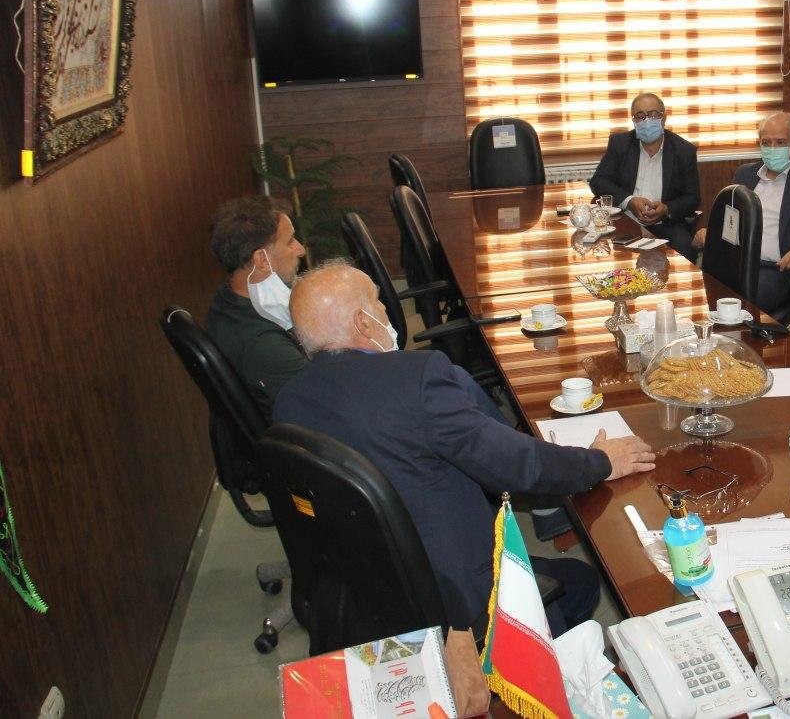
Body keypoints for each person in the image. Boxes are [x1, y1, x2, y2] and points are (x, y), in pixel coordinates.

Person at [272, 261, 656, 636]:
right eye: (377, 301)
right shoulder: (416, 378)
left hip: (366, 594)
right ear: (362, 322)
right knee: (581, 582)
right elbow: (516, 465)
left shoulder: (288, 401)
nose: (385, 310)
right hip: (455, 598)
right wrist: (602, 461)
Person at [694, 111, 790, 321]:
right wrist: (711, 232)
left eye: (780, 142)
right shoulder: (745, 174)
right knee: (702, 293)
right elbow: (731, 219)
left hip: (778, 270)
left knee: (737, 307)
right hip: (737, 263)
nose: (772, 148)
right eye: (766, 142)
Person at [207, 195, 309, 419]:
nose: (300, 250)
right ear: (262, 260)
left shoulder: (227, 299)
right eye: (290, 241)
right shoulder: (264, 345)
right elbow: (325, 405)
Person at [590, 93, 700, 261]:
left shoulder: (684, 150)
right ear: (634, 120)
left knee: (685, 249)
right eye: (640, 115)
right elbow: (598, 181)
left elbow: (693, 197)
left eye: (653, 114)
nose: (647, 120)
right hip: (626, 219)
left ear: (664, 118)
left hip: (666, 224)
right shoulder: (620, 144)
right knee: (609, 254)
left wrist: (666, 209)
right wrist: (630, 201)